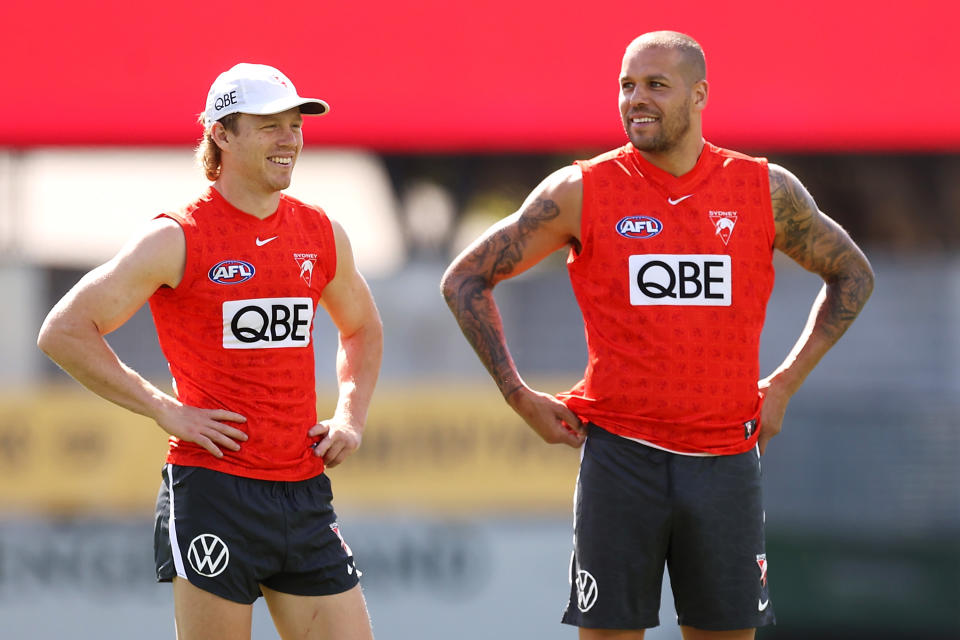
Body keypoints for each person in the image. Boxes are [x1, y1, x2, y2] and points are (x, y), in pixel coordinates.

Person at [440, 31, 874, 640]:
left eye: (655, 85)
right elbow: (464, 280)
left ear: (699, 95)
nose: (635, 99)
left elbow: (853, 275)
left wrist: (783, 385)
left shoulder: (763, 190)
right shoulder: (581, 190)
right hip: (620, 461)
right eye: (626, 85)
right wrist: (519, 396)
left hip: (725, 463)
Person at [37, 63, 383, 640]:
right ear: (222, 133)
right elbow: (64, 330)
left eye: (294, 125)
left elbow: (363, 329)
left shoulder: (321, 233)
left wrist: (351, 415)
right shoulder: (177, 236)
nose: (289, 140)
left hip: (304, 491)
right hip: (213, 493)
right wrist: (162, 407)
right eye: (270, 125)